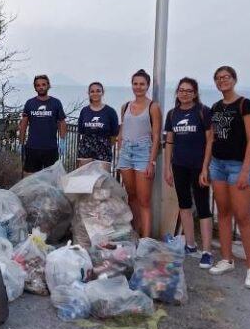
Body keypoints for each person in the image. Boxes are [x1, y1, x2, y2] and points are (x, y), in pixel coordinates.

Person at [200, 65, 250, 289]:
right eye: (218, 78)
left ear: (234, 79)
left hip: (238, 167)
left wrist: (245, 170)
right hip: (218, 165)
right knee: (223, 213)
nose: (222, 81)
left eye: (226, 77)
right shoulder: (215, 107)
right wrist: (205, 167)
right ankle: (227, 259)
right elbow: (211, 140)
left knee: (243, 218)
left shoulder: (245, 104)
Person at [163, 78, 214, 268]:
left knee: (202, 207)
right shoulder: (172, 114)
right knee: (184, 205)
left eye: (189, 90)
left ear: (195, 93)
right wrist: (167, 168)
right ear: (177, 92)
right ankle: (190, 245)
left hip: (198, 167)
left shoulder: (203, 111)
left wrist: (205, 168)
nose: (184, 93)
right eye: (181, 90)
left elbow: (210, 140)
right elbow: (169, 142)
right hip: (179, 166)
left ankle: (207, 251)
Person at [117, 69, 161, 238]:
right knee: (131, 195)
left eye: (142, 84)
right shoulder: (125, 106)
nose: (138, 87)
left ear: (147, 85)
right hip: (126, 152)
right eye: (135, 83)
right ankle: (134, 232)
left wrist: (152, 162)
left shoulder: (153, 107)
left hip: (144, 153)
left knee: (144, 200)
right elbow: (123, 129)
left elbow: (156, 136)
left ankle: (146, 239)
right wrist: (120, 149)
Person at [18, 75, 67, 176]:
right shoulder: (30, 103)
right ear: (35, 87)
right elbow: (24, 124)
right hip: (32, 147)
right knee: (29, 179)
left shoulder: (56, 103)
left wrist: (62, 141)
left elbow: (62, 122)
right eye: (38, 85)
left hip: (50, 148)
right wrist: (21, 142)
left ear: (48, 86)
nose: (41, 87)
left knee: (52, 179)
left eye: (43, 84)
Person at [76, 82, 119, 169]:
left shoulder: (110, 112)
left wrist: (106, 145)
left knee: (101, 179)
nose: (95, 93)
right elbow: (81, 131)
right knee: (84, 178)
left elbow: (114, 134)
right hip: (86, 148)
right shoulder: (84, 111)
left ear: (102, 93)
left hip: (103, 149)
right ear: (89, 93)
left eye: (98, 91)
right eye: (92, 91)